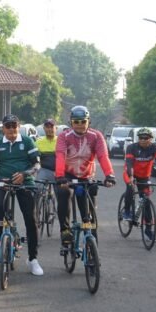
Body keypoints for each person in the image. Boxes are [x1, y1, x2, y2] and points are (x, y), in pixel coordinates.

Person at [0, 114, 43, 276]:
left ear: (19, 127)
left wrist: (25, 174)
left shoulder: (27, 141)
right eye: (8, 126)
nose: (11, 129)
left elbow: (37, 164)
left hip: (25, 184)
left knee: (31, 219)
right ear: (3, 128)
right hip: (4, 183)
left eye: (14, 126)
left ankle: (33, 259)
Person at [54, 105, 116, 248]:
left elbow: (103, 156)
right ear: (71, 122)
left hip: (86, 176)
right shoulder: (64, 136)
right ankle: (65, 231)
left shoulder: (97, 136)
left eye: (83, 121)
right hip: (67, 175)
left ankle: (92, 245)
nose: (80, 125)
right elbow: (60, 156)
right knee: (64, 194)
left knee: (89, 215)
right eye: (76, 122)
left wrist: (109, 175)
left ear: (89, 121)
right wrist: (59, 176)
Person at [122, 127, 156, 239]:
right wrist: (131, 176)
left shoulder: (155, 148)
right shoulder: (131, 147)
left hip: (144, 176)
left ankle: (148, 229)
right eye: (140, 137)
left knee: (146, 202)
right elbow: (129, 163)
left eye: (145, 138)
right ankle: (127, 211)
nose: (142, 140)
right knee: (130, 187)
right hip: (130, 172)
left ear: (150, 139)